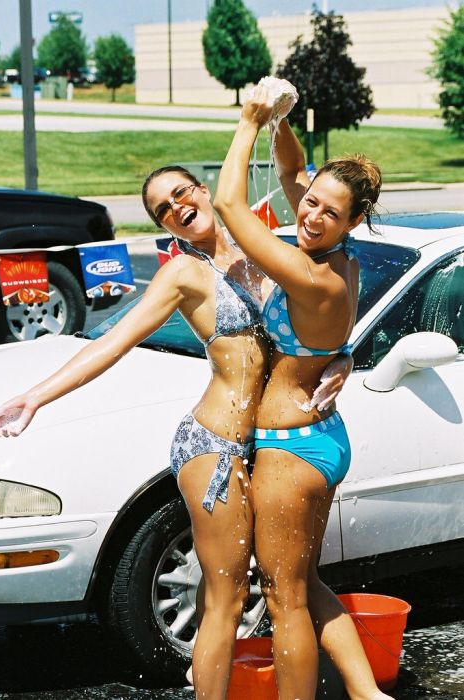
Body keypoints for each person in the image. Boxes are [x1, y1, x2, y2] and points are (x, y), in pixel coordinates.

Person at [0, 164, 350, 700]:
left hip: (272, 445)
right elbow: (110, 345)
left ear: (203, 191)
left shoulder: (265, 248)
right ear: (167, 225)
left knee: (280, 590)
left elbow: (324, 307)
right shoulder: (182, 274)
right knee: (225, 601)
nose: (177, 206)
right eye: (163, 208)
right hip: (214, 446)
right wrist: (37, 395)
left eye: (181, 192)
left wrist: (340, 355)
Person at [214, 82, 392, 700]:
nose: (310, 217)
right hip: (316, 433)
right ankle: (369, 694)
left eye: (328, 213)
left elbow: (230, 207)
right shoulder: (339, 255)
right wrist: (282, 123)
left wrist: (248, 121)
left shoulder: (312, 273)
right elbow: (291, 169)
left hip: (291, 446)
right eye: (310, 203)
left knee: (281, 594)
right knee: (305, 581)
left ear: (354, 220)